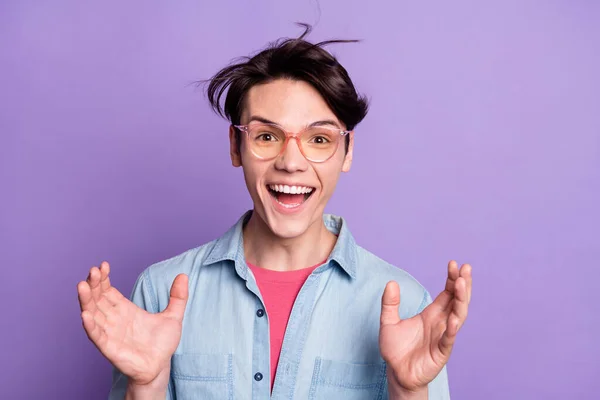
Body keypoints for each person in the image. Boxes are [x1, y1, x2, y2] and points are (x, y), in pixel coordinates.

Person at [77, 25, 472, 400]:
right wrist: (145, 387)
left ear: (348, 151)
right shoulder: (159, 291)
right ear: (236, 146)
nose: (291, 162)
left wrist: (409, 392)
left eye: (319, 139)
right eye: (267, 136)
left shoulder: (407, 305)